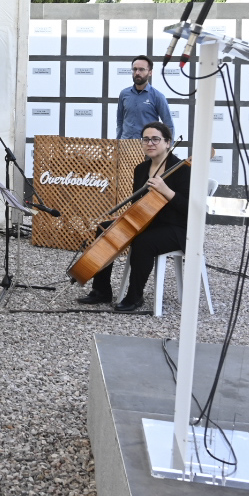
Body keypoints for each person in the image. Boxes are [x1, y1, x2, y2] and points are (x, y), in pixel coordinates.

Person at [76, 121, 187, 313]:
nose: (150, 143)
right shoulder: (141, 169)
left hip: (177, 228)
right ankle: (101, 290)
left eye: (155, 139)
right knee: (106, 227)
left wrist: (166, 191)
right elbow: (141, 204)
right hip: (149, 222)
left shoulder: (183, 169)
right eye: (146, 139)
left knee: (144, 242)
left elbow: (191, 209)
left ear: (168, 143)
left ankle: (135, 297)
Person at [116, 55, 174, 140]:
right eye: (135, 69)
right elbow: (120, 121)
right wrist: (118, 143)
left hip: (147, 146)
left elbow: (169, 124)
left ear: (150, 72)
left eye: (141, 69)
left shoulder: (157, 96)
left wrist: (167, 149)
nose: (137, 73)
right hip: (125, 145)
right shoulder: (124, 94)